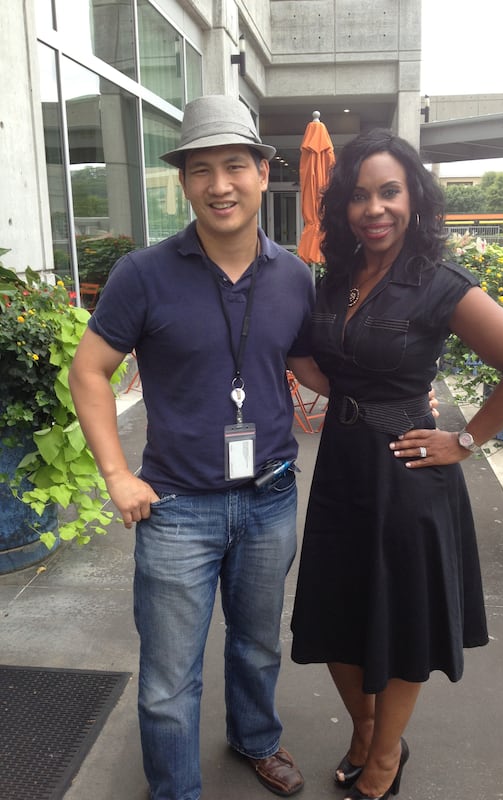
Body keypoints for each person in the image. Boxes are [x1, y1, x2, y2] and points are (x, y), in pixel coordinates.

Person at [68, 94, 328, 800]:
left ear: (262, 170)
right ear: (183, 183)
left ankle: (256, 740)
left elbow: (308, 367)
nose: (220, 184)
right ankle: (175, 790)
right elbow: (88, 372)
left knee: (257, 644)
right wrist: (116, 474)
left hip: (271, 495)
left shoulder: (293, 277)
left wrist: (392, 380)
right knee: (167, 676)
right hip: (176, 508)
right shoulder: (142, 275)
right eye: (202, 169)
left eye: (234, 165)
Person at [290, 129, 503, 800]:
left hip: (407, 478)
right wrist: (330, 383)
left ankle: (383, 759)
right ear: (342, 208)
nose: (374, 209)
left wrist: (464, 442)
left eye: (389, 192)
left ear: (414, 198)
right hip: (343, 468)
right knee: (334, 610)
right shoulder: (339, 278)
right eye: (358, 196)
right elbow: (313, 356)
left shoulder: (439, 283)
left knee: (403, 616)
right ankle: (368, 725)